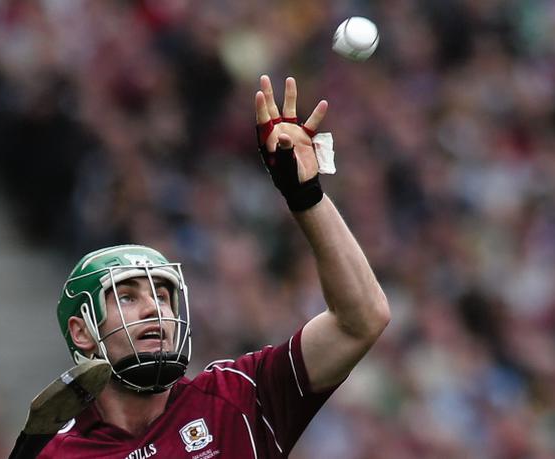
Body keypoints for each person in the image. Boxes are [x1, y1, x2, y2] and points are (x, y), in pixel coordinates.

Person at [31, 75, 390, 458]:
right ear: (82, 331)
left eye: (163, 297)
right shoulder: (58, 455)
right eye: (127, 297)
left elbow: (362, 320)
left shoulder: (238, 396)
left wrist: (307, 197)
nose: (154, 308)